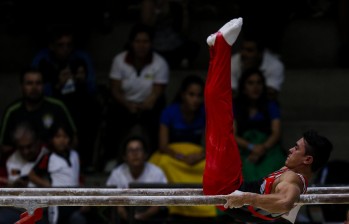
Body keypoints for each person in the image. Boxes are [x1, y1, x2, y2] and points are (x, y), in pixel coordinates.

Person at [203, 17, 333, 224]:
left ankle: (219, 48)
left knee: (219, 114)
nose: (290, 149)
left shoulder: (293, 181)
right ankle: (217, 49)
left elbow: (285, 202)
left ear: (307, 160)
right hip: (232, 186)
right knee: (218, 114)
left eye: (297, 148)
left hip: (228, 188)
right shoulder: (292, 172)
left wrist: (246, 198)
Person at [149, 74, 217, 219]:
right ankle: (172, 207)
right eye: (191, 95)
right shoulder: (169, 112)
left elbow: (212, 144)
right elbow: (163, 145)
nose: (195, 99)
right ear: (182, 94)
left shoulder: (205, 113)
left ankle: (205, 210)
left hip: (196, 155)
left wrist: (199, 156)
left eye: (199, 95)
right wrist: (181, 157)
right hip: (173, 155)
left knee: (211, 167)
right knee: (164, 164)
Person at [105, 22, 169, 163]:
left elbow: (157, 92)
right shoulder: (119, 61)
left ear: (151, 43)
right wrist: (128, 105)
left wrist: (146, 104)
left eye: (145, 41)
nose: (141, 45)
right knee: (112, 115)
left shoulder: (159, 63)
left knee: (158, 113)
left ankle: (151, 158)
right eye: (138, 41)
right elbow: (115, 90)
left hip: (149, 105)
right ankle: (112, 159)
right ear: (131, 42)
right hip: (124, 104)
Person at [0, 67, 77, 174]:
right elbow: (5, 147)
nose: (34, 87)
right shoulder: (12, 112)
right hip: (21, 165)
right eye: (29, 83)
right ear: (21, 86)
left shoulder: (57, 107)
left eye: (38, 83)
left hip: (54, 166)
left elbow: (74, 140)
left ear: (44, 85)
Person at [234, 68, 285, 181]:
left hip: (268, 149)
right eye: (250, 83)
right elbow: (232, 135)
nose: (255, 87)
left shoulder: (271, 105)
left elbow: (276, 133)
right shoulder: (235, 106)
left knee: (273, 171)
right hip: (244, 149)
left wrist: (262, 148)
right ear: (243, 87)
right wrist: (252, 147)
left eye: (259, 83)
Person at [106, 135, 168, 224]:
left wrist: (143, 217)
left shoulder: (156, 172)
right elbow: (115, 202)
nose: (135, 154)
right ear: (124, 156)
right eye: (130, 150)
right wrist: (129, 219)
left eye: (138, 150)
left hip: (151, 218)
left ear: (146, 154)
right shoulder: (117, 173)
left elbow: (160, 203)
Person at [28, 122, 82, 224]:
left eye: (65, 136)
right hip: (58, 202)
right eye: (58, 136)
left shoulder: (75, 155)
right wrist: (49, 185)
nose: (62, 140)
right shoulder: (48, 156)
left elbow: (77, 177)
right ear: (52, 139)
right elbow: (32, 175)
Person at [0, 122, 49, 224]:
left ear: (37, 142)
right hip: (14, 210)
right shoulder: (10, 159)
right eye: (21, 148)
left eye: (29, 146)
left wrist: (35, 179)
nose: (25, 151)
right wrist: (12, 186)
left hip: (41, 211)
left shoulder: (49, 156)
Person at [31, 24, 96, 96]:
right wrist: (58, 85)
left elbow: (93, 87)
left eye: (69, 45)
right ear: (51, 46)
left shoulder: (82, 57)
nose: (65, 49)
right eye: (60, 45)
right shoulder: (41, 59)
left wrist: (83, 82)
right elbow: (34, 90)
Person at [231, 34, 285, 101]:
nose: (244, 54)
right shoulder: (232, 63)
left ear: (260, 53)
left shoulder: (275, 65)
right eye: (242, 49)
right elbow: (231, 94)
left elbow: (271, 94)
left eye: (249, 50)